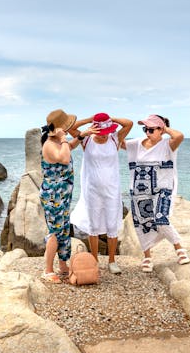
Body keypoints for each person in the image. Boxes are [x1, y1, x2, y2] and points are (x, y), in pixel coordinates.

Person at [124, 114, 190, 272]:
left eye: (152, 129)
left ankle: (179, 249)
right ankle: (147, 257)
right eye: (145, 128)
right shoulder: (137, 143)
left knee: (161, 218)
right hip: (140, 191)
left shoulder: (169, 144)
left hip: (163, 188)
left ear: (161, 130)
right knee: (142, 222)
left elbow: (180, 135)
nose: (147, 132)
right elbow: (119, 144)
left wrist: (164, 128)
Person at [69, 112, 133, 274]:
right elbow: (71, 128)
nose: (105, 136)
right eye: (102, 132)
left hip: (112, 190)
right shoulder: (87, 140)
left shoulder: (114, 139)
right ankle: (95, 260)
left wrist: (111, 119)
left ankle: (112, 261)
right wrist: (91, 121)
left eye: (107, 131)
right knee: (93, 226)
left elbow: (129, 123)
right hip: (92, 191)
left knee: (112, 225)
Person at [39, 109, 83, 283]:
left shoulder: (59, 142)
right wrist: (64, 139)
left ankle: (63, 265)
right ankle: (48, 270)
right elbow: (64, 159)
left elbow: (69, 148)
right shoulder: (50, 144)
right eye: (65, 129)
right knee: (55, 232)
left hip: (63, 195)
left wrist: (79, 137)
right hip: (53, 195)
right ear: (58, 130)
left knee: (64, 229)